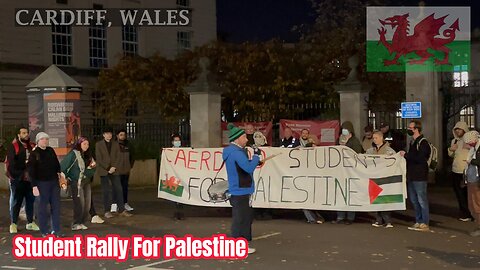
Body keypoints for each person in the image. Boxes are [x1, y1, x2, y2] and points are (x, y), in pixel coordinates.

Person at [223, 123, 261, 254]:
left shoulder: (234, 152)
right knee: (241, 218)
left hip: (240, 189)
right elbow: (248, 168)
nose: (246, 139)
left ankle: (242, 242)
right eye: (244, 136)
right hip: (241, 189)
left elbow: (244, 167)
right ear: (237, 139)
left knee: (244, 217)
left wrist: (254, 160)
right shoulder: (236, 153)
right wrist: (256, 156)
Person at [27, 132, 64, 237]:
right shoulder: (34, 153)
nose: (45, 141)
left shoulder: (50, 150)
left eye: (46, 139)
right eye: (43, 139)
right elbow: (31, 171)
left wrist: (59, 174)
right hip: (41, 183)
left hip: (53, 182)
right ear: (38, 141)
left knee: (56, 207)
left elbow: (56, 164)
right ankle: (45, 231)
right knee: (43, 208)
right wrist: (34, 186)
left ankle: (56, 230)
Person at [6, 127, 39, 234]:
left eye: (27, 133)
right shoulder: (14, 146)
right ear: (19, 135)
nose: (26, 134)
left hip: (30, 180)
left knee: (30, 201)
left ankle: (30, 222)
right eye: (23, 133)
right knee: (16, 202)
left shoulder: (32, 146)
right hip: (17, 180)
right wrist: (20, 175)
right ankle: (14, 224)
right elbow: (11, 165)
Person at [399, 120, 431, 232]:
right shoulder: (413, 142)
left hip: (420, 175)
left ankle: (425, 222)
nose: (409, 129)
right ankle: (419, 220)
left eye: (410, 128)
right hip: (412, 174)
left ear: (416, 129)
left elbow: (421, 158)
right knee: (414, 199)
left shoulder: (423, 142)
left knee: (421, 199)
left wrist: (406, 155)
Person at [60, 137, 97, 231]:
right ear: (79, 144)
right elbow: (63, 166)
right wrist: (66, 178)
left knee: (87, 203)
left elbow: (93, 167)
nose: (86, 146)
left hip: (86, 181)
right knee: (80, 203)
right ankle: (76, 222)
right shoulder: (73, 154)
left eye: (88, 144)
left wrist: (87, 174)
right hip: (76, 181)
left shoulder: (88, 155)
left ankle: (82, 221)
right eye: (84, 144)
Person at [95, 127, 132, 219]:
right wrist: (108, 168)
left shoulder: (115, 144)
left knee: (119, 189)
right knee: (106, 191)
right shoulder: (99, 144)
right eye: (107, 133)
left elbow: (118, 156)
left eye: (110, 133)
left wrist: (114, 167)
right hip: (104, 170)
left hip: (115, 170)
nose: (109, 135)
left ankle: (121, 209)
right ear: (103, 135)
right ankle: (107, 211)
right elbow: (99, 158)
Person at [334, 121, 362, 225]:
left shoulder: (354, 141)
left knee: (350, 194)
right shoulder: (339, 139)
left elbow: (357, 153)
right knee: (340, 194)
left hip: (350, 171)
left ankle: (350, 217)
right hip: (340, 170)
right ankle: (340, 216)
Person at [367, 131, 396, 228]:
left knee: (385, 199)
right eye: (373, 138)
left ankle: (387, 220)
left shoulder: (389, 150)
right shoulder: (370, 150)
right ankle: (379, 219)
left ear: (381, 138)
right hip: (375, 177)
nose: (374, 140)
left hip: (385, 178)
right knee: (376, 199)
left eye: (376, 138)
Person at [447, 121, 472, 221]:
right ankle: (464, 212)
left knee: (467, 192)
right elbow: (451, 155)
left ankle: (470, 213)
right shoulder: (454, 141)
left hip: (466, 170)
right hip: (455, 170)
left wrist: (470, 147)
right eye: (456, 129)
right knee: (458, 192)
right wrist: (451, 149)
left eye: (460, 129)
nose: (458, 131)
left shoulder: (469, 140)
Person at [300, 129, 324, 224]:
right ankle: (312, 218)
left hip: (312, 174)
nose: (305, 135)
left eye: (306, 133)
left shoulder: (314, 146)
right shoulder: (297, 143)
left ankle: (315, 217)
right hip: (302, 174)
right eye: (303, 133)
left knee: (311, 198)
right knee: (305, 198)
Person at [111, 129, 134, 212]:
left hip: (126, 170)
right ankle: (114, 204)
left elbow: (132, 156)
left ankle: (125, 203)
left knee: (125, 187)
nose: (123, 137)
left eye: (124, 135)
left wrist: (130, 166)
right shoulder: (113, 144)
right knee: (116, 187)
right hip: (117, 170)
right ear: (117, 135)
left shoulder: (128, 144)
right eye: (121, 135)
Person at [463, 130, 480, 236]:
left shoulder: (477, 149)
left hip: (476, 180)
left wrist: (471, 162)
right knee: (472, 205)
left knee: (477, 204)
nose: (468, 144)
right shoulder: (474, 149)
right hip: (471, 179)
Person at [171, 133, 185, 220]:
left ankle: (180, 212)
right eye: (175, 141)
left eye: (178, 140)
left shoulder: (183, 151)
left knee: (181, 195)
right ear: (172, 142)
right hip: (173, 175)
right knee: (175, 195)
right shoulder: (169, 151)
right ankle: (176, 213)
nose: (177, 142)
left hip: (181, 175)